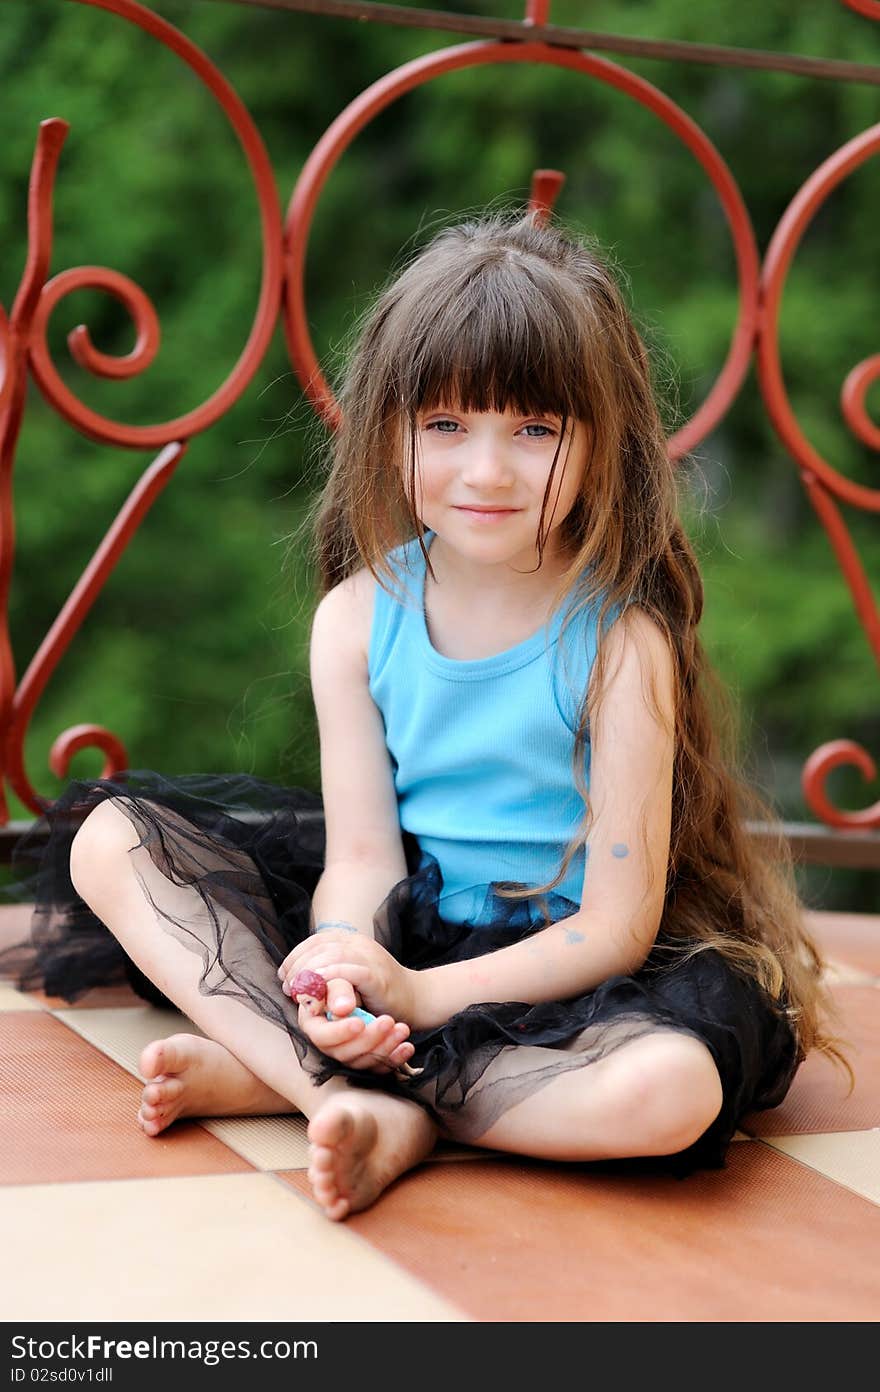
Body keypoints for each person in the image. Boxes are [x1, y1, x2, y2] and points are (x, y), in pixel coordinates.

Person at [3, 209, 852, 1222]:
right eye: (445, 426)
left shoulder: (622, 645)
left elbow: (614, 932)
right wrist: (345, 981)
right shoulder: (358, 617)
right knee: (111, 841)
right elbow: (363, 860)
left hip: (564, 968)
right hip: (408, 926)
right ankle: (330, 1070)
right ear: (389, 432)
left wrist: (415, 1004)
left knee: (663, 1094)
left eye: (533, 430)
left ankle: (328, 1089)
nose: (486, 470)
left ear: (601, 442)